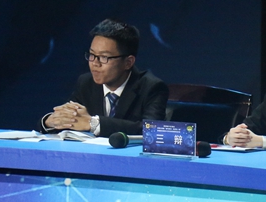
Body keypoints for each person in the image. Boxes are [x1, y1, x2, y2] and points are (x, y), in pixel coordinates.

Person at [38, 19, 168, 136]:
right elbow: (69, 118)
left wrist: (94, 123)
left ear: (128, 62)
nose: (95, 63)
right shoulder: (86, 83)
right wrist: (50, 121)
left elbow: (152, 131)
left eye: (104, 57)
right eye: (92, 55)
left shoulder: (151, 87)